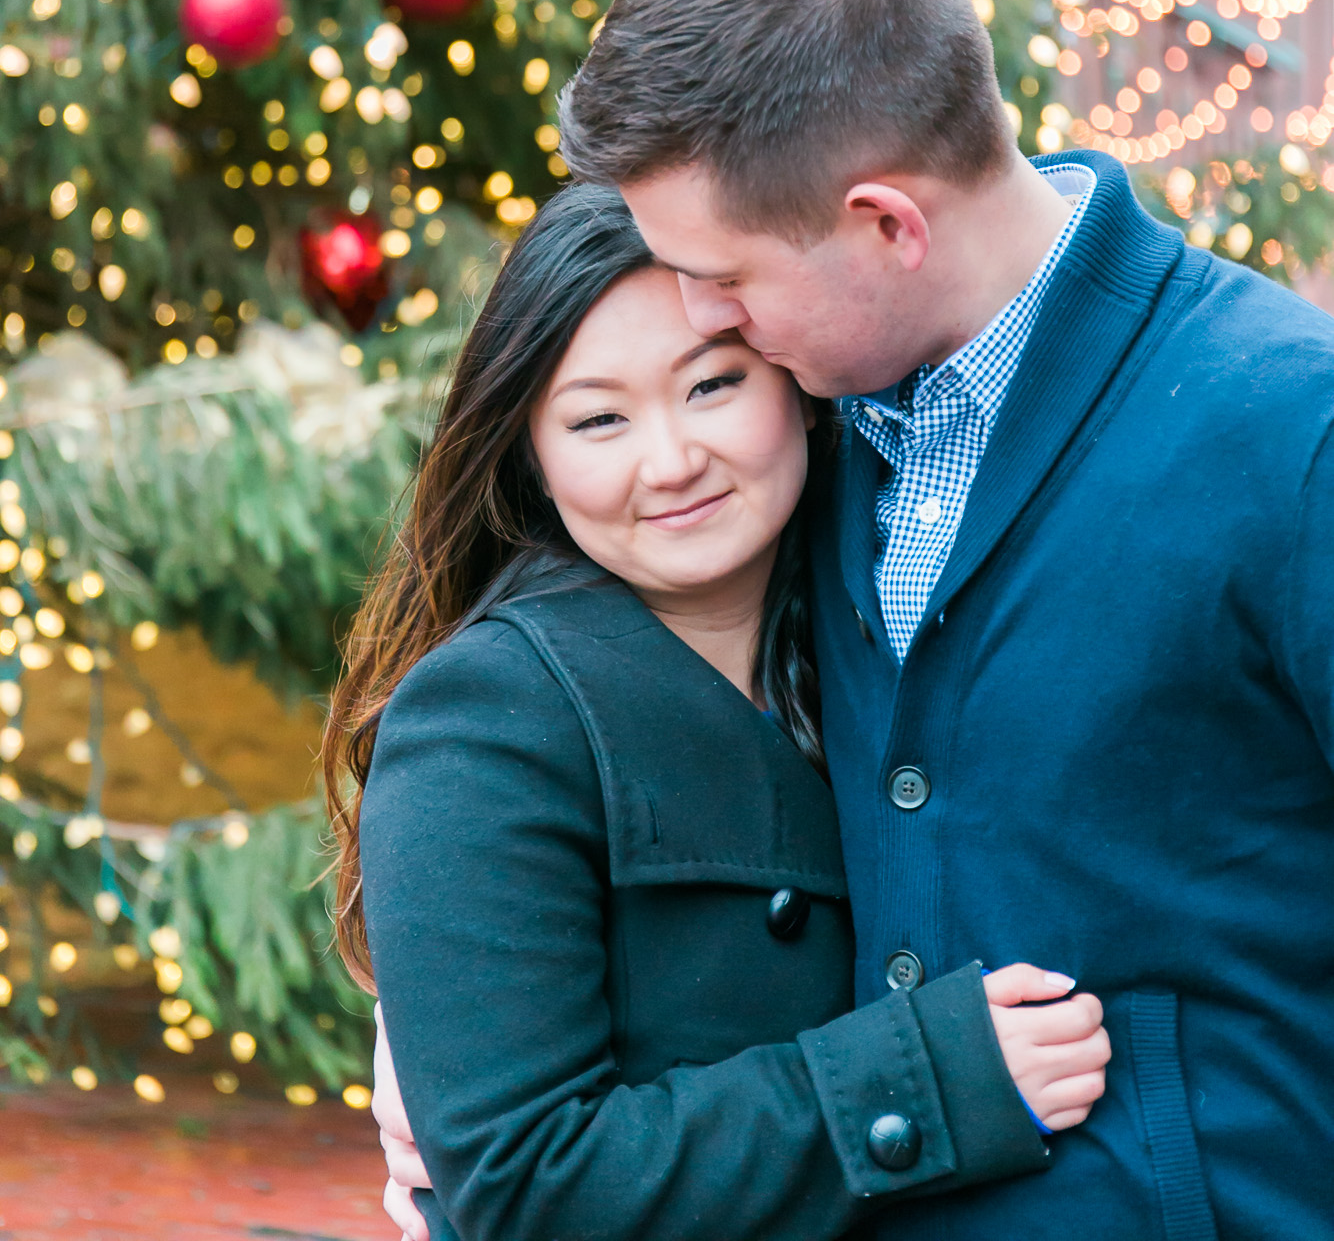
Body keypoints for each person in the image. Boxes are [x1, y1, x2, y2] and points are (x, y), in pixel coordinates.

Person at [547, 0, 1334, 1239]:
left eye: (722, 275)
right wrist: (453, 1033)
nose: (696, 318)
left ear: (885, 227)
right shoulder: (792, 430)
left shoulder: (1287, 431)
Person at [326, 182, 1111, 1241]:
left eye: (711, 384)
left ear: (793, 383)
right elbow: (523, 1182)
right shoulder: (488, 716)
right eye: (598, 417)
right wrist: (922, 1081)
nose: (670, 461)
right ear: (533, 455)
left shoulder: (888, 627)